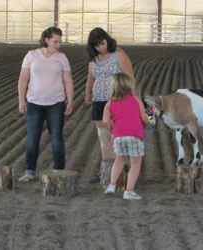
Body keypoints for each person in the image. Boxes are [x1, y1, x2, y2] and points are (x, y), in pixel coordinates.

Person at [18, 26, 74, 182]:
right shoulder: (31, 55)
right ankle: (29, 171)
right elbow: (23, 78)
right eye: (55, 41)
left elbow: (68, 80)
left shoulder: (61, 58)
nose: (58, 45)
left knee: (56, 137)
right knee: (32, 138)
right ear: (46, 40)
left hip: (56, 103)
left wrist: (70, 100)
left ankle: (59, 170)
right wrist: (22, 100)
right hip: (35, 102)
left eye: (60, 42)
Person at [85, 27, 135, 183]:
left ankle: (121, 171)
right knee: (103, 136)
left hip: (117, 100)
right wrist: (87, 93)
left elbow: (129, 76)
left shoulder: (118, 54)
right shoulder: (94, 59)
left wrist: (131, 98)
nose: (101, 47)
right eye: (97, 46)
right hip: (99, 100)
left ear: (107, 40)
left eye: (102, 43)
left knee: (117, 135)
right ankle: (106, 172)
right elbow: (90, 78)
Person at [103, 73, 151, 200]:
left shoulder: (109, 103)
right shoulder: (136, 99)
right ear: (129, 86)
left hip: (118, 136)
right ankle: (129, 191)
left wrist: (113, 131)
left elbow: (105, 121)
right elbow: (145, 119)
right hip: (135, 135)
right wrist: (149, 121)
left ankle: (111, 185)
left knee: (119, 159)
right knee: (135, 163)